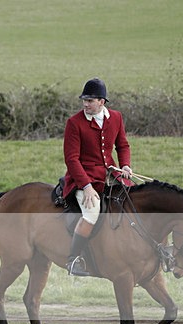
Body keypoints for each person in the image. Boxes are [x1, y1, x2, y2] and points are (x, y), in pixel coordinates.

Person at [62, 78, 132, 276]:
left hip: (110, 174)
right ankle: (73, 259)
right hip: (81, 178)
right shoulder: (74, 123)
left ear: (102, 101)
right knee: (92, 212)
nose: (85, 104)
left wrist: (125, 165)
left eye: (90, 100)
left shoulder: (116, 117)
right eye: (84, 100)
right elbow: (72, 159)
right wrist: (86, 187)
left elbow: (123, 145)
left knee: (132, 200)